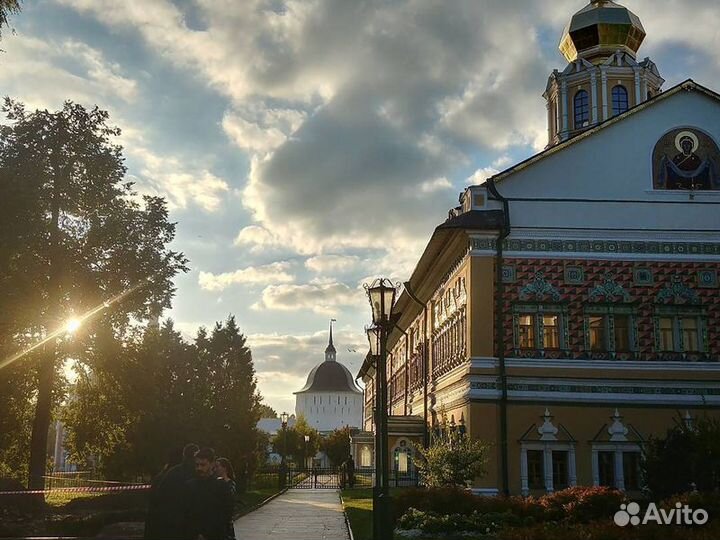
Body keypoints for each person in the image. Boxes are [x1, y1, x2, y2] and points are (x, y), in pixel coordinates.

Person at [147, 443, 199, 540]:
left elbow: (157, 499)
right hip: (182, 525)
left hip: (165, 524)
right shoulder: (195, 474)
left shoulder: (168, 474)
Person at [189, 448, 234, 540]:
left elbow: (226, 514)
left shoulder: (222, 487)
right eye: (197, 465)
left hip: (215, 535)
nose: (199, 468)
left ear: (212, 464)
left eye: (203, 465)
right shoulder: (190, 486)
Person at [215, 457, 237, 540]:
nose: (215, 469)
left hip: (225, 520)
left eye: (217, 466)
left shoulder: (230, 484)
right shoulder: (215, 482)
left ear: (224, 468)